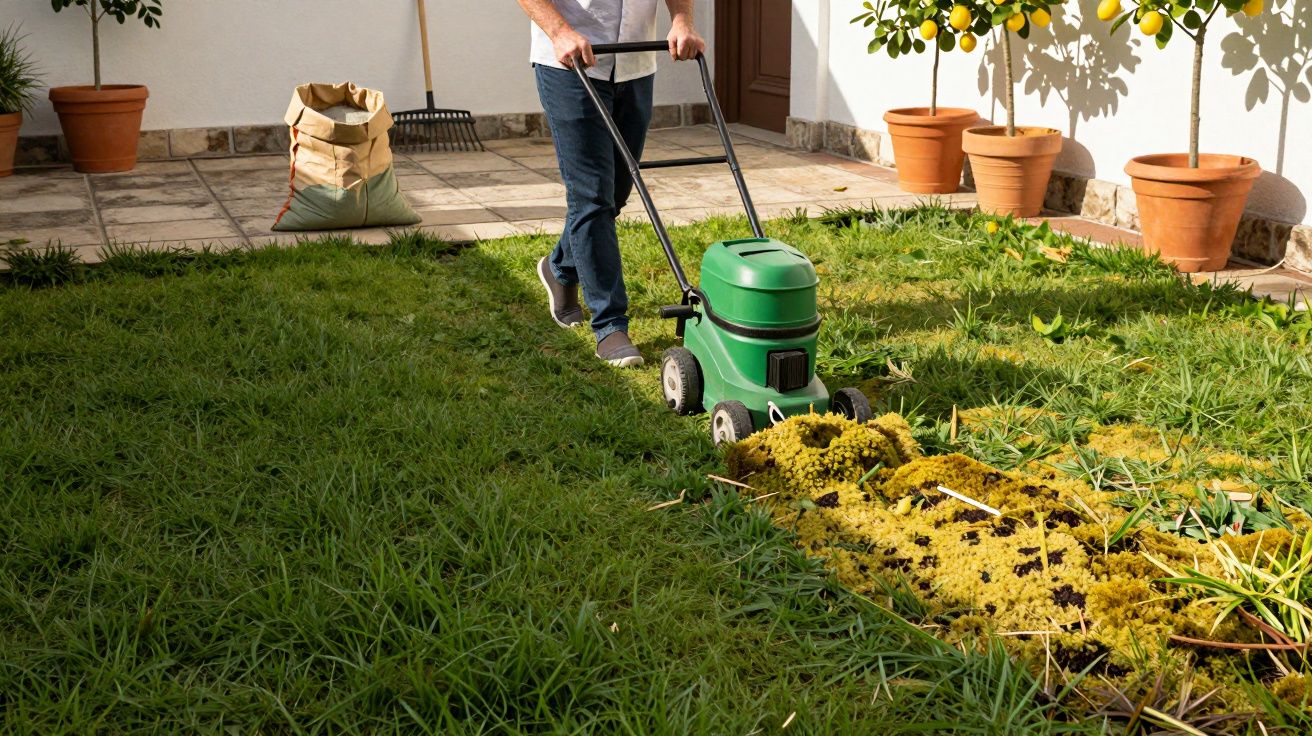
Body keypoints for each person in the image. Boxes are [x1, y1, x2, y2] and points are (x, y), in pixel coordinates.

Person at [516, 0, 706, 368]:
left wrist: (682, 19)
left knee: (615, 193)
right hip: (569, 62)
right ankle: (610, 326)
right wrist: (559, 30)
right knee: (592, 197)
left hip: (635, 62)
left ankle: (559, 268)